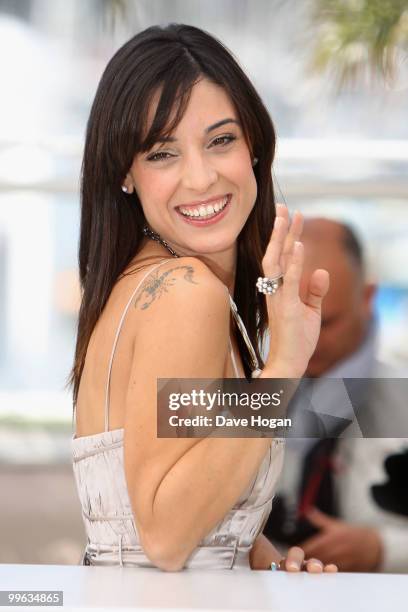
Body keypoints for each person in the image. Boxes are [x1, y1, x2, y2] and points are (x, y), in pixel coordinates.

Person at [68, 24, 337, 573]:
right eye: (163, 153)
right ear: (126, 172)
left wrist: (258, 559)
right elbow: (165, 536)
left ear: (254, 146)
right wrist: (282, 368)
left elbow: (184, 513)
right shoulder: (184, 294)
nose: (200, 177)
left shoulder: (157, 286)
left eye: (220, 140)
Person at [263, 218, 408, 572]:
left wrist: (383, 549)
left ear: (368, 297)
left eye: (326, 323)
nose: (308, 340)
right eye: (292, 322)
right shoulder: (245, 390)